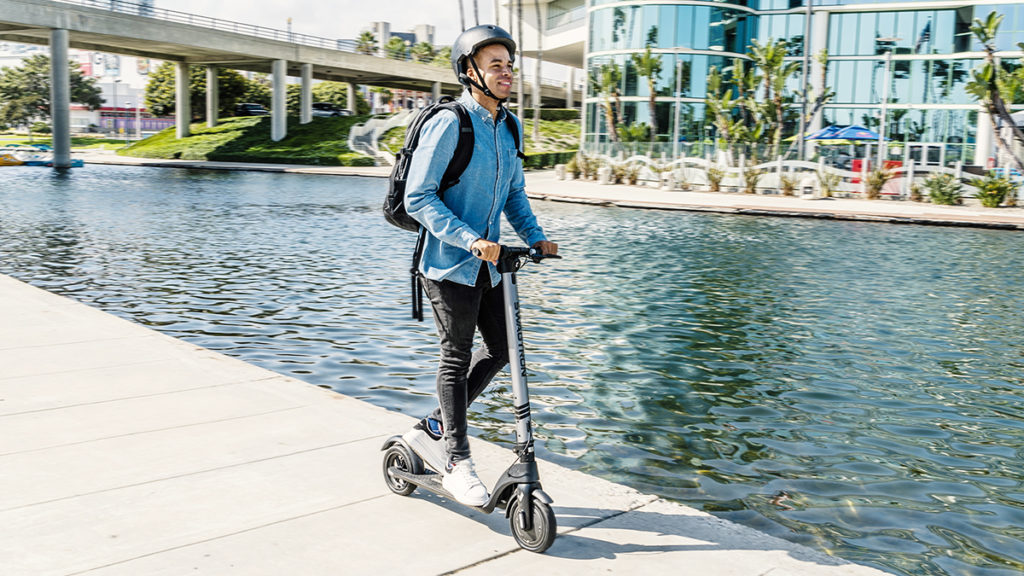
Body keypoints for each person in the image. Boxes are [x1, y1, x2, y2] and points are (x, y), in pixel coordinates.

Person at [401, 24, 558, 507]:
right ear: (471, 72)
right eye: (496, 65)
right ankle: (456, 460)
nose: (507, 72)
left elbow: (513, 193)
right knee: (456, 356)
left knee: (504, 352)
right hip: (448, 264)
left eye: (510, 65)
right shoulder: (450, 123)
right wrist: (469, 240)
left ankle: (433, 426)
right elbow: (418, 197)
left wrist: (535, 237)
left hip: (490, 267)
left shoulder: (509, 125)